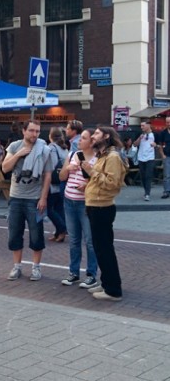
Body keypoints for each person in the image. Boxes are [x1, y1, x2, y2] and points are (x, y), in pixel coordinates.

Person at [2, 120, 52, 281]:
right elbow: (5, 168)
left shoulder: (44, 149)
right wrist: (18, 154)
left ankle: (36, 267)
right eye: (31, 131)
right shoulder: (15, 146)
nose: (35, 134)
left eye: (37, 131)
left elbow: (48, 175)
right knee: (14, 233)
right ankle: (17, 267)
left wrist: (43, 198)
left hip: (34, 199)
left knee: (36, 235)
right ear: (24, 131)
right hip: (16, 197)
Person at [82, 126, 126, 301]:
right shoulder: (104, 155)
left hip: (102, 207)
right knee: (100, 249)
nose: (93, 137)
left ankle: (113, 290)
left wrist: (91, 171)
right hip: (95, 206)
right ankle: (107, 282)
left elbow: (112, 183)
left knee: (104, 249)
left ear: (106, 136)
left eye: (96, 134)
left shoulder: (113, 157)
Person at [58, 128, 99, 288]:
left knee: (89, 241)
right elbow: (61, 177)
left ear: (91, 142)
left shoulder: (98, 159)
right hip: (69, 201)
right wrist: (67, 169)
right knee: (74, 240)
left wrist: (87, 184)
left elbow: (99, 180)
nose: (79, 141)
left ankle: (91, 274)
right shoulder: (72, 155)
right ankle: (73, 273)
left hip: (86, 203)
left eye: (83, 138)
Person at [46, 127, 68, 243]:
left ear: (51, 136)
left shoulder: (52, 148)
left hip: (52, 183)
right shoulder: (64, 148)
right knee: (59, 208)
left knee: (48, 209)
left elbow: (52, 165)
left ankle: (62, 229)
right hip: (62, 182)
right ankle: (59, 233)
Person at [133, 120, 156, 201]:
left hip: (150, 158)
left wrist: (155, 145)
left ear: (148, 125)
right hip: (141, 157)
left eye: (143, 125)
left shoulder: (154, 134)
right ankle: (146, 190)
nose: (141, 127)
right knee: (143, 176)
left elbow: (159, 145)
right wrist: (139, 138)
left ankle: (147, 194)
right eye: (141, 126)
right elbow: (135, 144)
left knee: (148, 175)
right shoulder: (139, 134)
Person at [157, 116, 170, 199]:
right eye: (167, 122)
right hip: (167, 156)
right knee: (166, 175)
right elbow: (160, 145)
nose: (168, 124)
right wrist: (162, 155)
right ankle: (166, 191)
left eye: (169, 122)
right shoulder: (163, 133)